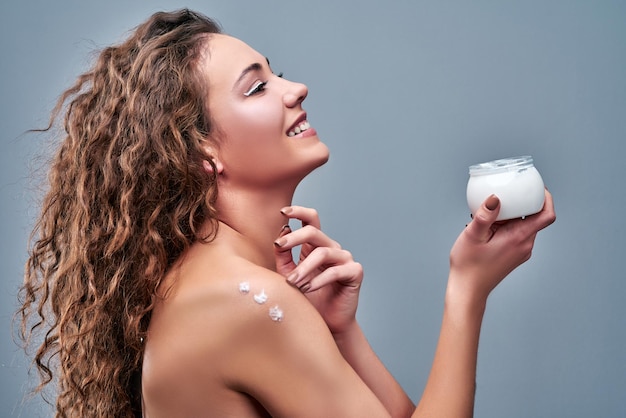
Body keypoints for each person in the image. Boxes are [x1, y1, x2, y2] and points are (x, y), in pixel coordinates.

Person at [17, 8, 556, 418]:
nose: (295, 89)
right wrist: (467, 289)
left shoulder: (225, 286)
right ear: (202, 152)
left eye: (276, 74)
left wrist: (342, 334)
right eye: (257, 87)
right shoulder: (244, 302)